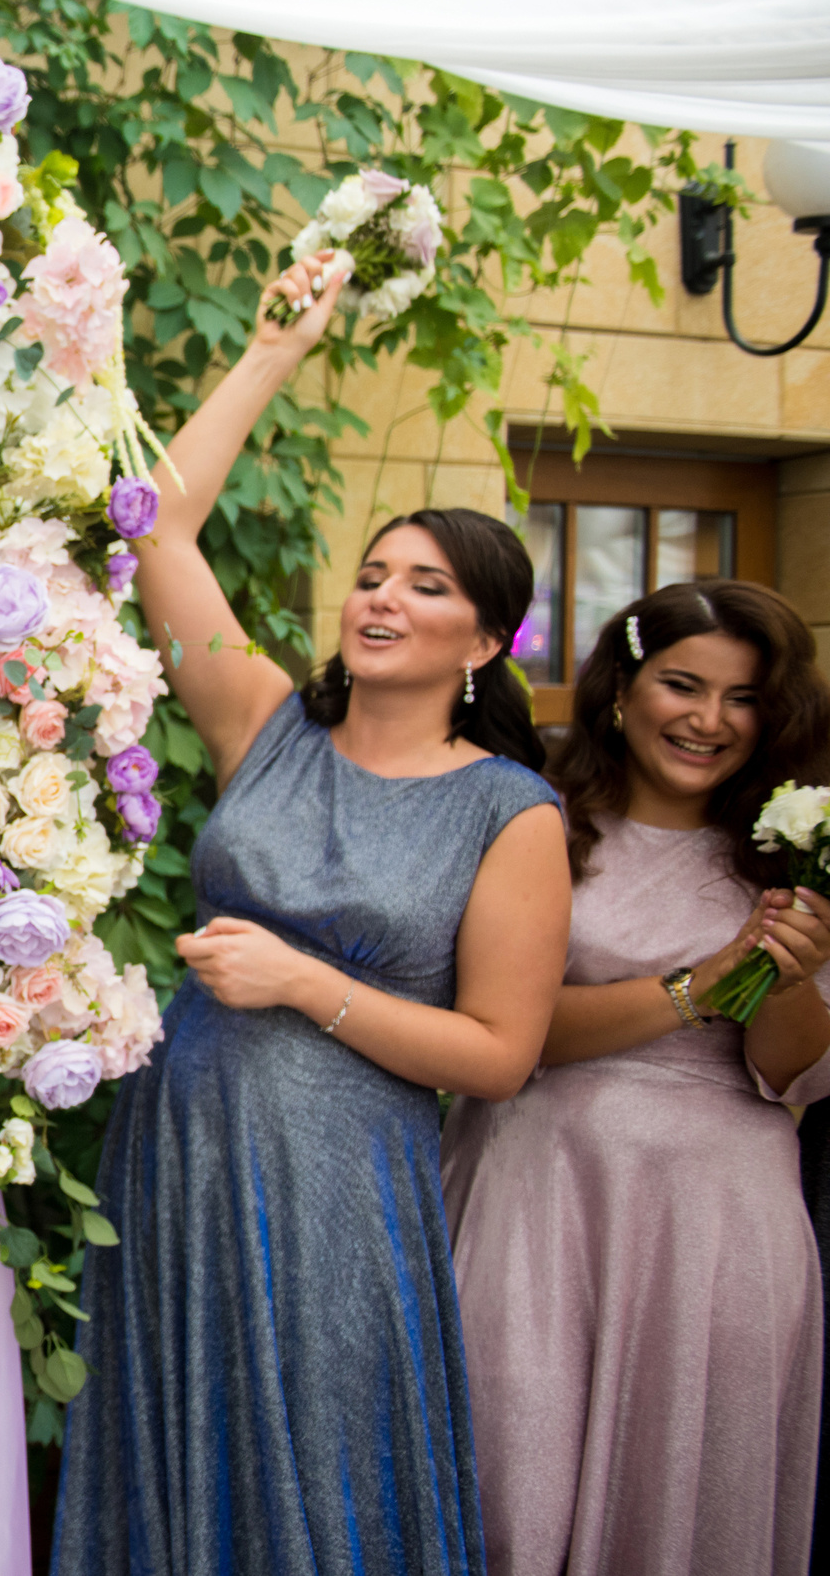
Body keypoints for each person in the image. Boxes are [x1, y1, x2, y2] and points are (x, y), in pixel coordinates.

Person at [51, 248, 573, 1576]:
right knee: (175, 1450)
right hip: (180, 1148)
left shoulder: (509, 813)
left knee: (323, 1467)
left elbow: (501, 1054)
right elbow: (156, 531)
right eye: (375, 574)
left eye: (428, 586)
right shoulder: (264, 722)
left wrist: (303, 983)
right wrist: (275, 349)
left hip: (342, 1180)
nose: (384, 597)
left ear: (486, 642)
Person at [441, 579, 830, 1576]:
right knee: (508, 1482)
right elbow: (504, 1026)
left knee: (684, 1498)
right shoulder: (531, 819)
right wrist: (698, 986)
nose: (709, 720)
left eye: (743, 699)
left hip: (716, 1225)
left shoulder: (790, 853)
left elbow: (789, 1071)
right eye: (683, 685)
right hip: (539, 1196)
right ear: (621, 689)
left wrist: (784, 975)